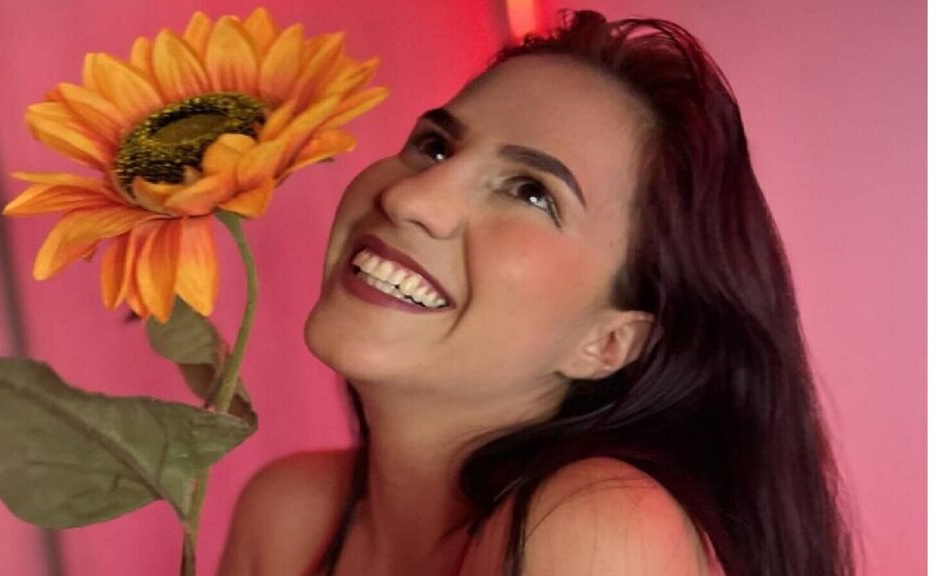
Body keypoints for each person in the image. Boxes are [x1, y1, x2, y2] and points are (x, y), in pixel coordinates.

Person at [218, 9, 854, 576]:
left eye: (530, 193)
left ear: (608, 342)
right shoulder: (286, 515)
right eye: (435, 147)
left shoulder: (600, 528)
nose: (410, 198)